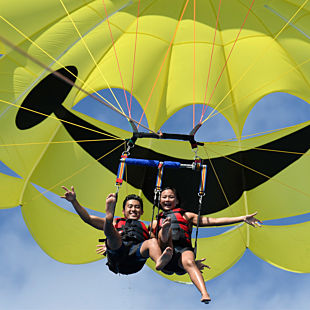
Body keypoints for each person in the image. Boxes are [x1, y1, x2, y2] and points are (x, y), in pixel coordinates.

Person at [152, 187, 263, 304]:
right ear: (159, 200)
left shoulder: (187, 216)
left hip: (183, 253)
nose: (167, 199)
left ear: (177, 201)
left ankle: (204, 293)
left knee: (189, 261)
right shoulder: (155, 221)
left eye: (171, 197)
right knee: (162, 232)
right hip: (165, 257)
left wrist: (242, 218)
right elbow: (150, 245)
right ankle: (166, 251)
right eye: (164, 197)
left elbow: (214, 221)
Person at [61, 186, 173, 275]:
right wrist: (74, 201)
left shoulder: (147, 229)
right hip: (118, 254)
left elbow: (158, 243)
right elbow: (88, 219)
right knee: (113, 233)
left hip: (135, 259)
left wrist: (165, 231)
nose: (133, 209)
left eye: (137, 207)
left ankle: (159, 261)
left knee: (152, 242)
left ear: (142, 212)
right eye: (130, 206)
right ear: (124, 211)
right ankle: (108, 217)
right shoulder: (117, 222)